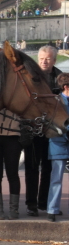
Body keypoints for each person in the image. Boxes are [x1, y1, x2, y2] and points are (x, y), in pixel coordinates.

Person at [24, 45, 63, 216]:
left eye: (47, 59)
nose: (44, 61)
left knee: (48, 168)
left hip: (52, 130)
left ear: (54, 60)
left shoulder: (61, 78)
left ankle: (44, 203)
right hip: (33, 128)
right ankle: (31, 205)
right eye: (41, 59)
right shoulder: (30, 76)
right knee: (31, 168)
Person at [46, 73, 69, 221]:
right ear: (66, 87)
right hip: (58, 143)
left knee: (56, 178)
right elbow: (55, 124)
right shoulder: (56, 102)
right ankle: (52, 209)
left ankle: (53, 209)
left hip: (59, 143)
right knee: (56, 178)